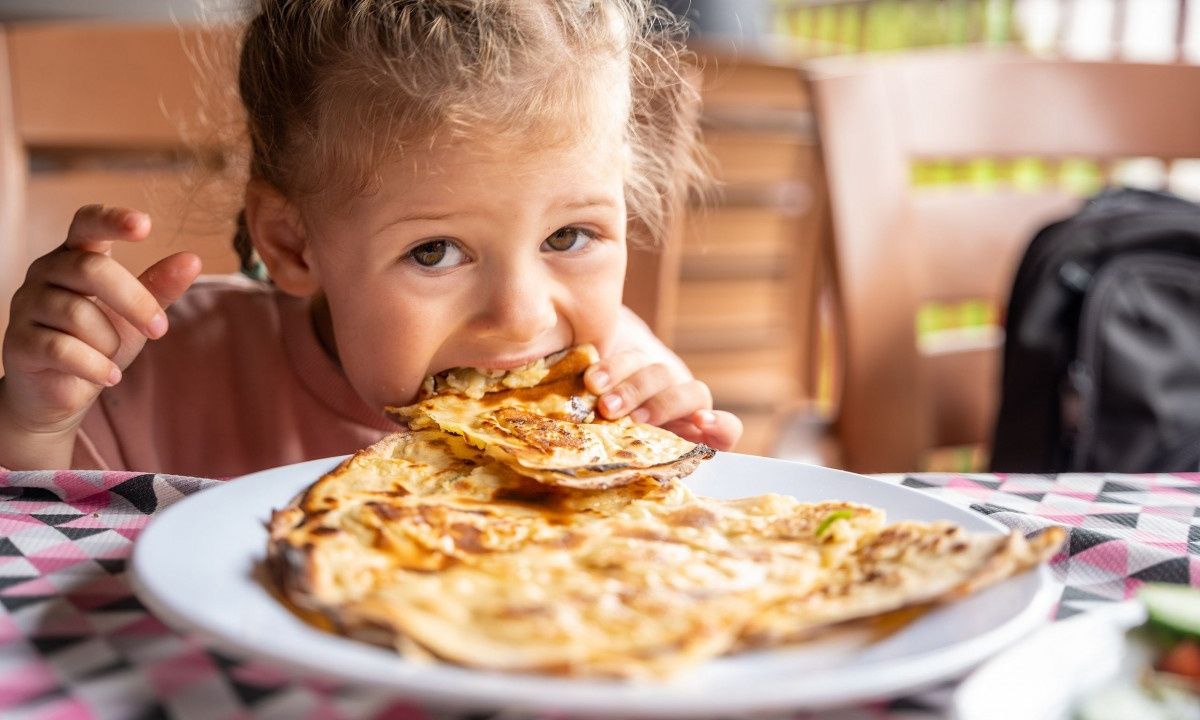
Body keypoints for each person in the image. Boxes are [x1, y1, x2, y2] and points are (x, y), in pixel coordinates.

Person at [0, 0, 743, 477]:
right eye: (435, 251)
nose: (521, 315)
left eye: (570, 236)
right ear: (293, 246)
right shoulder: (158, 378)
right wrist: (36, 426)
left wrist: (668, 462)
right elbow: (45, 550)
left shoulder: (625, 383)